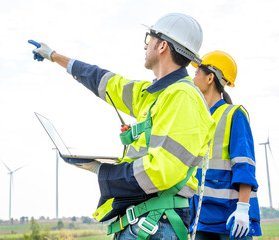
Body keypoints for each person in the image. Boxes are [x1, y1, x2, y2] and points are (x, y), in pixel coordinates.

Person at [29, 13, 215, 240]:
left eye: (149, 39)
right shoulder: (156, 95)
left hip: (157, 224)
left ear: (163, 46)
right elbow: (106, 82)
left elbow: (162, 171)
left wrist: (102, 170)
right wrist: (54, 56)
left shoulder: (182, 97)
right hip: (147, 221)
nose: (145, 46)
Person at [189, 50, 262, 239]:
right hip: (201, 218)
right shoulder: (198, 118)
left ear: (210, 78)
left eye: (197, 73)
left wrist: (243, 209)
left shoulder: (234, 114)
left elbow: (244, 165)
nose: (193, 78)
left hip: (232, 219)